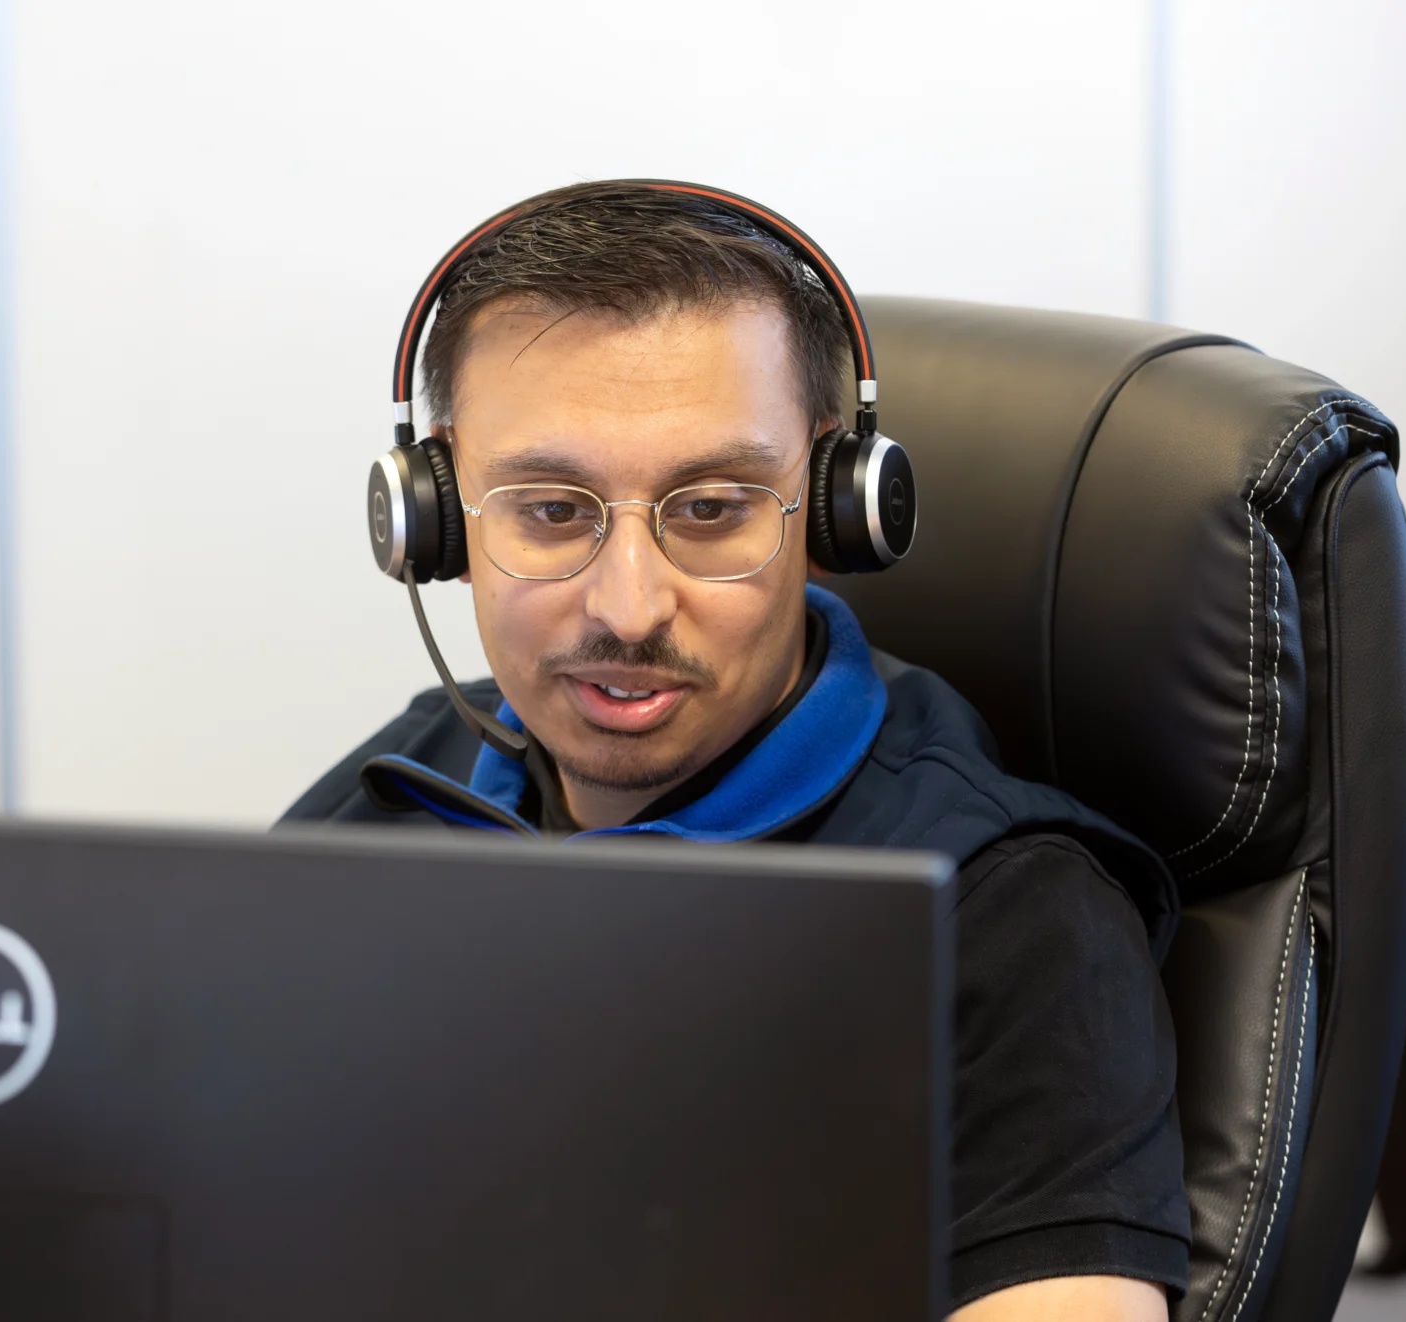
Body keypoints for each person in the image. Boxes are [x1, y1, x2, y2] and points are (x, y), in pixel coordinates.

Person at [283, 181, 1186, 1321]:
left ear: (836, 505)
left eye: (710, 507)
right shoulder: (401, 794)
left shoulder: (999, 916)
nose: (625, 605)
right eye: (549, 510)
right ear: (435, 517)